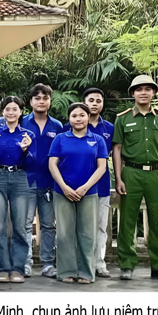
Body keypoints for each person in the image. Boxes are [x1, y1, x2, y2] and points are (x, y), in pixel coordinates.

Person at [113, 75, 158, 281]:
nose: (143, 93)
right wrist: (118, 178)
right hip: (131, 172)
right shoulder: (123, 118)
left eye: (148, 89)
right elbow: (117, 149)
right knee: (127, 221)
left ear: (154, 93)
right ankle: (126, 265)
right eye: (139, 89)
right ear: (133, 93)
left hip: (157, 174)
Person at [49, 103, 107, 284]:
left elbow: (102, 167)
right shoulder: (60, 138)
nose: (78, 119)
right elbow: (52, 164)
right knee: (64, 233)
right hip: (62, 192)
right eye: (74, 116)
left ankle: (86, 273)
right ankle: (66, 271)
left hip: (88, 193)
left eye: (82, 115)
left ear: (88, 117)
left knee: (87, 234)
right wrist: (64, 187)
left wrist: (85, 187)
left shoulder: (97, 140)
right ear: (69, 119)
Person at [0, 95, 35, 283]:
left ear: (21, 112)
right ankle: (2, 269)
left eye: (15, 109)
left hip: (20, 178)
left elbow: (33, 163)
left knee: (20, 227)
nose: (11, 112)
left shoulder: (28, 135)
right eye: (8, 109)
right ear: (3, 112)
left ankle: (17, 269)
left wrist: (25, 150)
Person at [20, 84, 61, 278]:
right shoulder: (21, 122)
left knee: (48, 225)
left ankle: (48, 263)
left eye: (45, 98)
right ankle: (25, 262)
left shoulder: (57, 126)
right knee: (25, 224)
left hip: (49, 182)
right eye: (37, 98)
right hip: (25, 181)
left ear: (50, 101)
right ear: (31, 101)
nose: (41, 101)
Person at [82, 87, 114, 278]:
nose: (94, 104)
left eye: (98, 101)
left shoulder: (109, 128)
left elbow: (116, 154)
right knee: (80, 227)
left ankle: (99, 263)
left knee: (101, 226)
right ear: (84, 102)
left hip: (101, 185)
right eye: (91, 100)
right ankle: (81, 263)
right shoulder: (73, 124)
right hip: (77, 185)